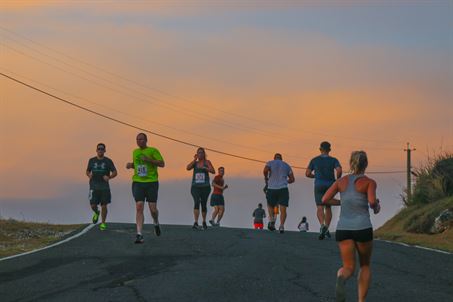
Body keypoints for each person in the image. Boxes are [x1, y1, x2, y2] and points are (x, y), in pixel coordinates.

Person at [322, 151, 381, 302]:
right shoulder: (369, 182)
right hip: (362, 228)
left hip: (343, 228)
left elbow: (325, 199)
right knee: (365, 265)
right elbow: (372, 202)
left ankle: (341, 277)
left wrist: (342, 202)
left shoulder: (341, 182)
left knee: (348, 266)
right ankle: (361, 301)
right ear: (365, 164)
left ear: (350, 163)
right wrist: (376, 206)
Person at [126, 133, 165, 244]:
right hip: (138, 182)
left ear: (146, 140)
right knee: (139, 206)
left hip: (151, 183)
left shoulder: (153, 150)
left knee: (153, 209)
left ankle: (156, 222)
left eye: (141, 139)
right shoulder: (135, 152)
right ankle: (139, 234)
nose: (139, 141)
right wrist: (131, 165)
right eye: (137, 139)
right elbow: (137, 164)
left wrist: (149, 160)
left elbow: (162, 164)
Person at [306, 141, 342, 240]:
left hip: (319, 185)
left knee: (319, 207)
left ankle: (322, 225)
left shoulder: (314, 160)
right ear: (329, 150)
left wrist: (315, 176)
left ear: (320, 149)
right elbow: (339, 170)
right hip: (330, 185)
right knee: (328, 207)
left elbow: (307, 173)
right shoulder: (334, 160)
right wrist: (337, 180)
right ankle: (326, 227)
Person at [86, 143, 117, 231]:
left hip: (104, 187)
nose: (100, 150)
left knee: (104, 205)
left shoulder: (108, 161)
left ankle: (103, 223)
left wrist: (109, 177)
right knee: (93, 205)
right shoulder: (91, 160)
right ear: (96, 150)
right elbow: (87, 171)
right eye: (99, 149)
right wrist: (89, 175)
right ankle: (96, 212)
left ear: (104, 150)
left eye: (102, 149)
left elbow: (115, 172)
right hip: (93, 186)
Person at [263, 153, 295, 233]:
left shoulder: (270, 163)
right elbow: (292, 179)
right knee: (283, 209)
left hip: (272, 188)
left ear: (274, 158)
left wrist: (266, 177)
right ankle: (281, 226)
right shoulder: (286, 165)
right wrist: (285, 181)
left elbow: (265, 170)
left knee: (270, 205)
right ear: (281, 158)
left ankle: (271, 220)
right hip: (283, 189)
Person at [187, 147, 215, 230]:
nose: (200, 154)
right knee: (196, 202)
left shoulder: (207, 162)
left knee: (203, 204)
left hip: (205, 187)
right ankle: (196, 222)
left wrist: (206, 168)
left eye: (201, 153)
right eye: (198, 153)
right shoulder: (195, 163)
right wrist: (194, 160)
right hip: (195, 187)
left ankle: (204, 221)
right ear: (197, 154)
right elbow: (187, 168)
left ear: (204, 154)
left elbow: (213, 171)